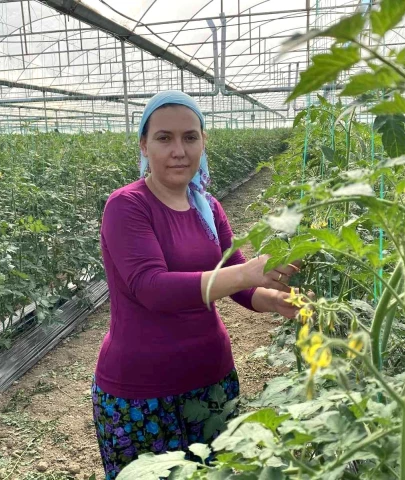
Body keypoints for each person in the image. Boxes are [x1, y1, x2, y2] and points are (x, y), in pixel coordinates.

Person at [91, 91, 302, 479]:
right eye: (164, 138)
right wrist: (245, 273)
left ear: (204, 142)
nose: (178, 150)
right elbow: (152, 288)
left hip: (212, 382)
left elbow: (238, 283)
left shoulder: (209, 206)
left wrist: (273, 298)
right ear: (144, 144)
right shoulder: (126, 206)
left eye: (190, 137)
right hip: (142, 394)